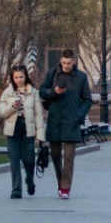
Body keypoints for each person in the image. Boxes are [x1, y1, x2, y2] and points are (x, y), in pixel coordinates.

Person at [39, 49, 92, 200]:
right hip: (55, 119)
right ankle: (61, 182)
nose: (66, 66)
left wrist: (79, 114)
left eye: (68, 63)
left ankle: (65, 188)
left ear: (74, 61)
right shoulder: (52, 74)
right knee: (55, 155)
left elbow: (87, 99)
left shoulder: (81, 77)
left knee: (69, 157)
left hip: (71, 121)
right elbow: (42, 92)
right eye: (63, 63)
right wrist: (54, 92)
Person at [0, 65, 44, 199]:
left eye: (21, 77)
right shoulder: (8, 92)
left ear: (26, 77)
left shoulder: (33, 92)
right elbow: (1, 112)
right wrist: (12, 107)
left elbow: (38, 114)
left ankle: (30, 179)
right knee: (14, 159)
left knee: (29, 159)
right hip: (12, 129)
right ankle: (16, 189)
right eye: (16, 77)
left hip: (27, 129)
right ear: (12, 77)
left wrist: (40, 135)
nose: (18, 80)